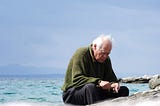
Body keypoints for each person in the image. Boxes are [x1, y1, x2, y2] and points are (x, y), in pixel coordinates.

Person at [61, 34, 129, 105]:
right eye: (103, 53)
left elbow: (111, 79)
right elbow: (77, 79)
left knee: (124, 90)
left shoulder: (106, 59)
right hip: (72, 94)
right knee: (90, 87)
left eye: (107, 54)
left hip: (95, 92)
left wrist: (114, 85)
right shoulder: (81, 54)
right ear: (94, 47)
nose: (105, 56)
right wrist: (99, 82)